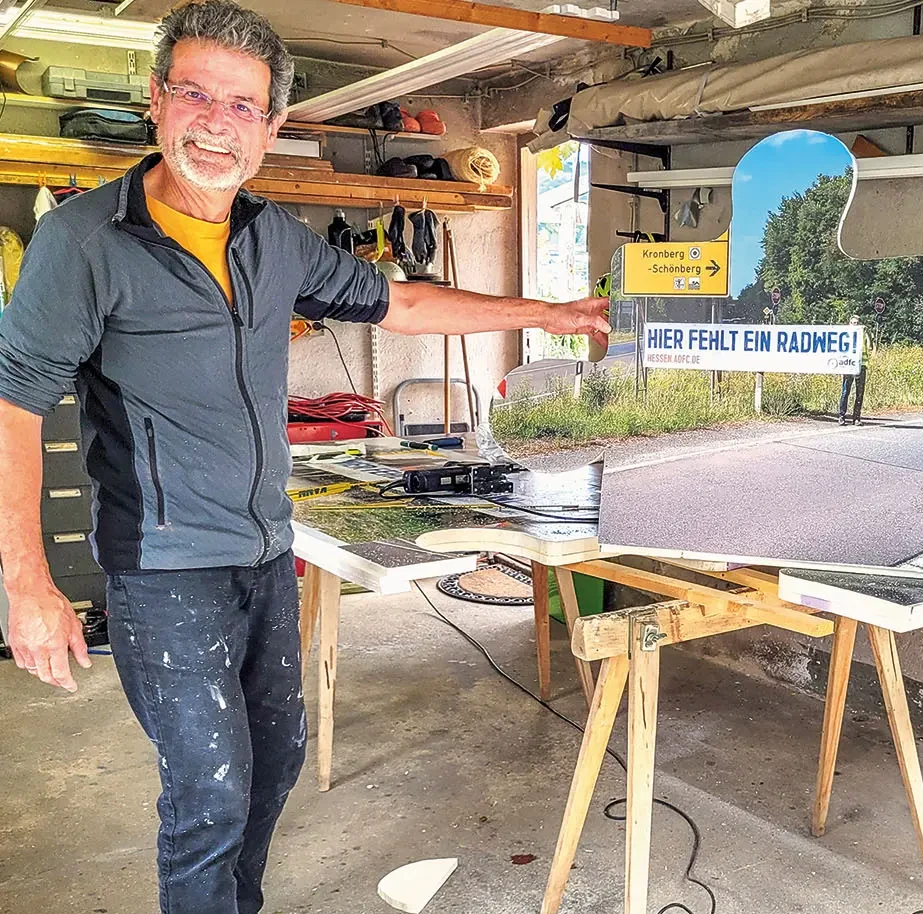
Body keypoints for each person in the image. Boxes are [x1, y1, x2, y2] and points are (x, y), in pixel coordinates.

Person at [0, 3, 607, 912]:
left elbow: (399, 305)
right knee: (209, 793)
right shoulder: (82, 241)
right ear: (158, 103)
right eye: (196, 95)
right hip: (164, 569)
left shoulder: (270, 236)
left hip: (266, 554)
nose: (216, 122)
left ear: (272, 127)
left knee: (273, 764)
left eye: (243, 106)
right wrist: (27, 584)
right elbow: (12, 400)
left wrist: (546, 315)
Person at [838, 314, 869, 425]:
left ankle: (856, 418)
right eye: (853, 323)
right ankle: (842, 416)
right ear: (849, 324)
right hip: (848, 366)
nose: (855, 325)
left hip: (861, 366)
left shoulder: (864, 335)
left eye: (857, 323)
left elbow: (869, 347)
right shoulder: (845, 335)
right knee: (845, 391)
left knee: (859, 393)